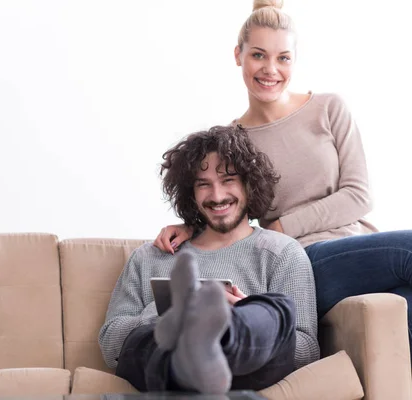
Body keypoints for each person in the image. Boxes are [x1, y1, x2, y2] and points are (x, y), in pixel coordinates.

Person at [153, 0, 412, 356]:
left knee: (406, 304)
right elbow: (224, 206)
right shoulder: (232, 139)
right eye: (258, 55)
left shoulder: (329, 108)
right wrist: (190, 227)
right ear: (238, 55)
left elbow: (359, 195)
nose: (270, 69)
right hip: (301, 263)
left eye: (283, 58)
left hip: (359, 246)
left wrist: (279, 225)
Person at [99, 126, 319, 394]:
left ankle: (224, 337)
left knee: (273, 311)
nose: (216, 196)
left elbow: (306, 351)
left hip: (242, 365)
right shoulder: (151, 256)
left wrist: (245, 311)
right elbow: (111, 345)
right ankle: (193, 346)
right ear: (190, 192)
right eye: (203, 184)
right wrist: (165, 313)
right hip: (167, 362)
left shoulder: (282, 253)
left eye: (228, 180)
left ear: (249, 184)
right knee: (154, 338)